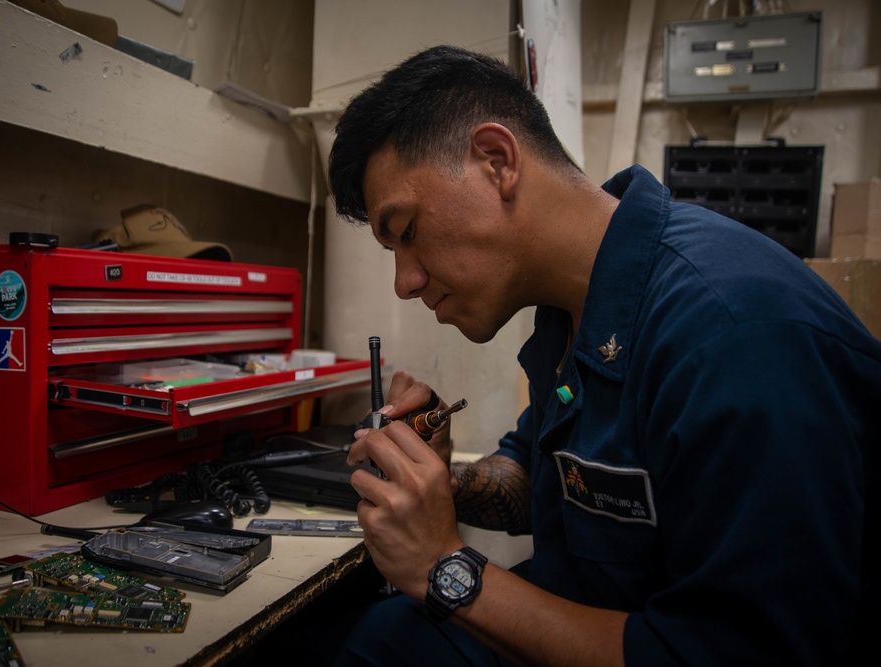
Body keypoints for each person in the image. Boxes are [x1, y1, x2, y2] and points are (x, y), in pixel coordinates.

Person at [325, 44, 879, 666]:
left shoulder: (735, 333)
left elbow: (729, 652)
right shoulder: (575, 310)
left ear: (496, 160)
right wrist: (435, 483)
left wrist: (444, 567)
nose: (403, 282)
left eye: (407, 232)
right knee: (368, 636)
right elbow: (545, 477)